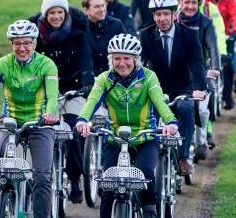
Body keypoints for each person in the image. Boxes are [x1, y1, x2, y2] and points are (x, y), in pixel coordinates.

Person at [0, 20, 59, 218]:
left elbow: (52, 97)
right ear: (11, 44)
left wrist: (49, 114)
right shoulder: (2, 64)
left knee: (42, 175)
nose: (21, 48)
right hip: (10, 121)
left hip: (39, 123)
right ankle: (4, 193)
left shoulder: (46, 65)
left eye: (26, 43)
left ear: (34, 43)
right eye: (16, 43)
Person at [76, 33, 179, 218]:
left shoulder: (148, 77)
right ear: (111, 60)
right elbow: (91, 101)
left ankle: (149, 211)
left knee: (145, 174)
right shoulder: (104, 79)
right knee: (108, 185)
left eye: (126, 58)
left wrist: (170, 121)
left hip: (144, 138)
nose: (122, 63)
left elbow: (160, 102)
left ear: (136, 60)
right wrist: (83, 120)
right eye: (117, 58)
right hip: (115, 138)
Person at [28, 0, 95, 203]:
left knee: (74, 132)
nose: (56, 16)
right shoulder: (35, 34)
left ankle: (75, 179)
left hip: (72, 88)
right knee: (38, 131)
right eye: (51, 13)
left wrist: (87, 83)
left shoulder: (77, 31)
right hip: (46, 90)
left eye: (59, 12)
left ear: (65, 13)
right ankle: (38, 176)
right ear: (45, 14)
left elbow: (85, 60)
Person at [139, 0, 208, 175]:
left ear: (174, 14)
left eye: (166, 14)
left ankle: (183, 157)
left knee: (186, 108)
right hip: (156, 88)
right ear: (153, 16)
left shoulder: (190, 35)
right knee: (146, 114)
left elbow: (196, 64)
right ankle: (143, 154)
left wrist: (200, 88)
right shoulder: (145, 36)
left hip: (183, 87)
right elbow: (139, 65)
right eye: (158, 15)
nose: (162, 19)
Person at [176, 0, 221, 160]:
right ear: (180, 3)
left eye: (194, 2)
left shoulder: (206, 23)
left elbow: (212, 48)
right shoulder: (173, 21)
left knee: (202, 110)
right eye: (186, 2)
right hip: (178, 73)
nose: (190, 6)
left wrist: (215, 68)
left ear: (199, 3)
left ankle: (201, 141)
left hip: (200, 73)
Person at [187, 0, 226, 146]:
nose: (191, 4)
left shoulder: (210, 11)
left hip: (204, 61)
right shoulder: (178, 15)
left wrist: (219, 60)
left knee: (207, 94)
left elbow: (217, 37)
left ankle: (207, 132)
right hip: (182, 67)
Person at [204, 0, 236, 110]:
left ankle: (227, 97)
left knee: (229, 64)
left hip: (225, 36)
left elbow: (235, 15)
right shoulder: (205, 0)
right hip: (208, 36)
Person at [81, 0, 126, 76]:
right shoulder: (80, 29)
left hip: (114, 76)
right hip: (89, 78)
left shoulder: (117, 25)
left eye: (103, 5)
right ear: (86, 11)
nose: (102, 9)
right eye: (97, 7)